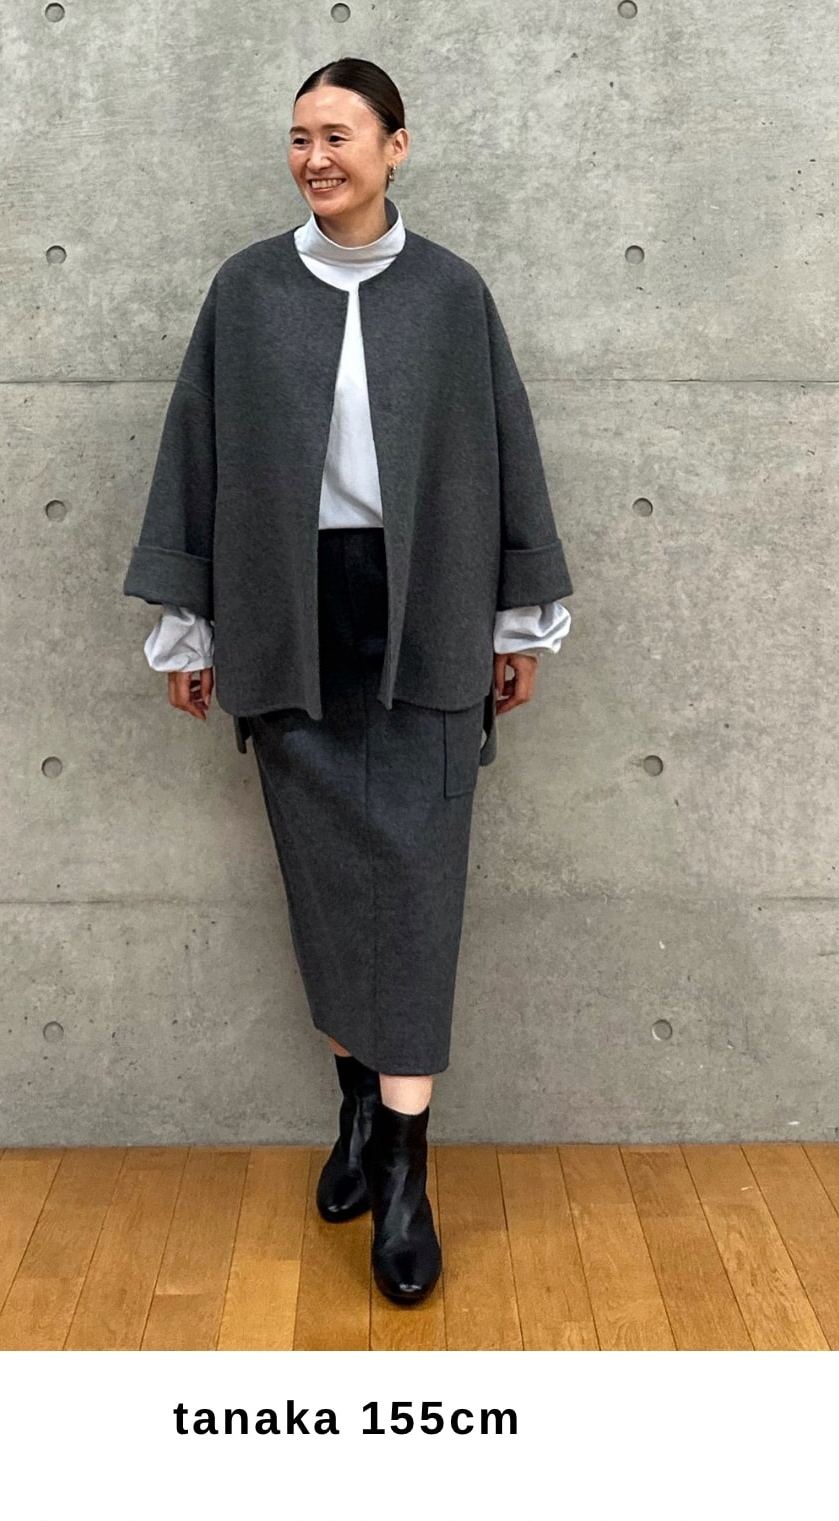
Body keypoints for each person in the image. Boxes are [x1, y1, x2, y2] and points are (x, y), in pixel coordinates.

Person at [124, 58, 572, 1308]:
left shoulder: (451, 293)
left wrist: (518, 620)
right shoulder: (249, 290)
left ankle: (408, 1170)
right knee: (325, 883)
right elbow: (197, 455)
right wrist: (191, 629)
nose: (315, 158)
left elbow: (505, 450)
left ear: (395, 147)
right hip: (289, 616)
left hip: (427, 610)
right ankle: (358, 1114)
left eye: (338, 135)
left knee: (418, 888)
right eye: (298, 138)